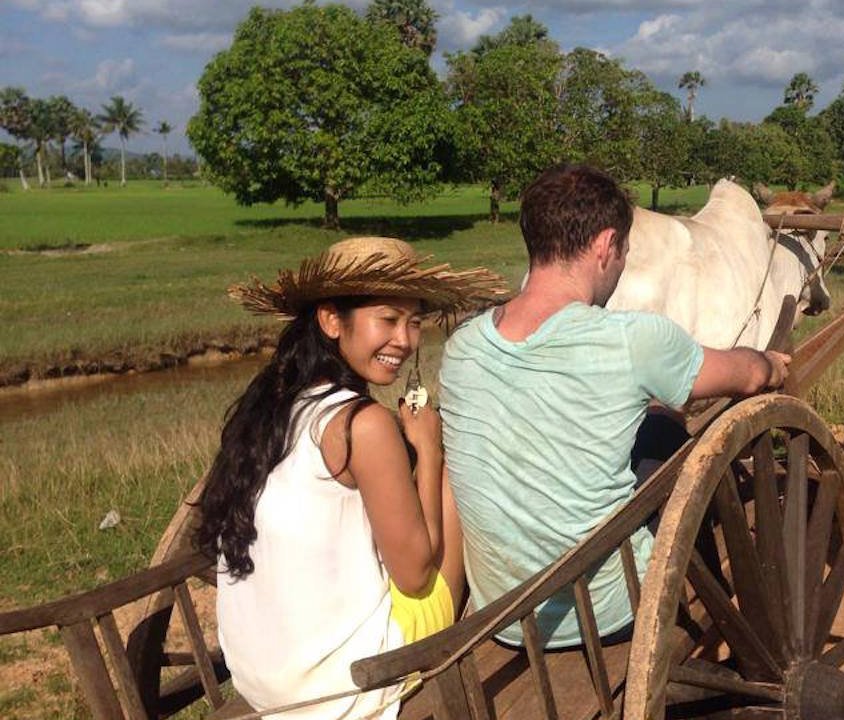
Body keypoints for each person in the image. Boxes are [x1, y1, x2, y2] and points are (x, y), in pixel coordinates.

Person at [439, 164, 790, 648]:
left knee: (651, 422)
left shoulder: (462, 346)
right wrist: (771, 364)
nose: (622, 262)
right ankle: (717, 599)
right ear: (606, 246)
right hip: (607, 611)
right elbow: (747, 374)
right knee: (668, 426)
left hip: (500, 614)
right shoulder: (633, 339)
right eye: (624, 251)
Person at [197, 237, 504, 719]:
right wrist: (428, 450)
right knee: (448, 478)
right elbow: (415, 573)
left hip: (262, 681)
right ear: (331, 319)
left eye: (414, 321)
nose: (404, 340)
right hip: (339, 686)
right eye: (388, 319)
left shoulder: (277, 406)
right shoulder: (363, 424)